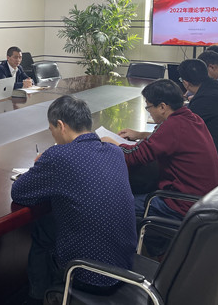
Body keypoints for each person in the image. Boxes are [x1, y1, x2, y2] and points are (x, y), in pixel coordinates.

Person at [12, 95, 137, 303]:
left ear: (61, 126)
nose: (52, 135)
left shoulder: (58, 156)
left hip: (90, 274)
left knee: (41, 228)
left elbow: (19, 192)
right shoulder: (115, 152)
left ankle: (39, 298)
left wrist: (43, 164)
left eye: (51, 129)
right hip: (126, 266)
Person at [101, 79, 218, 254]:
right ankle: (155, 248)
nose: (148, 111)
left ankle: (124, 255)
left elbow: (134, 156)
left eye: (149, 107)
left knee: (114, 203)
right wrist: (140, 135)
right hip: (202, 200)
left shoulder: (173, 126)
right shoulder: (190, 117)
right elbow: (168, 139)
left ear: (163, 107)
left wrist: (113, 143)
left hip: (180, 205)